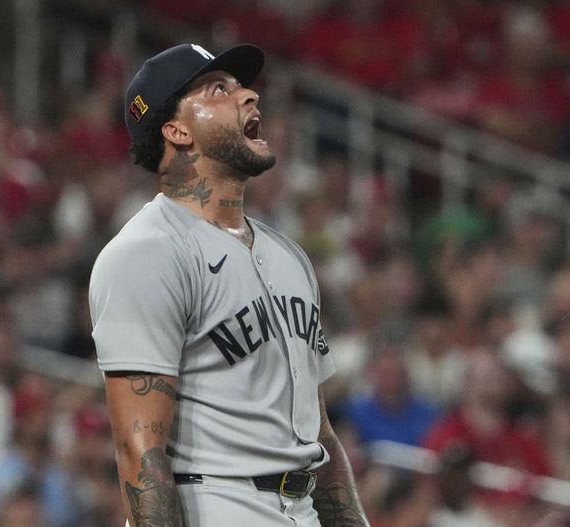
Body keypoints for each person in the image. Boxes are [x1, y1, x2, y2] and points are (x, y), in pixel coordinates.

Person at [89, 42, 369, 527]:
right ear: (175, 130)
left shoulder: (290, 257)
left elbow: (317, 434)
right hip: (217, 506)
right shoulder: (147, 252)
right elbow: (140, 452)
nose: (248, 96)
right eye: (218, 89)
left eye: (241, 85)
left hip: (302, 510)